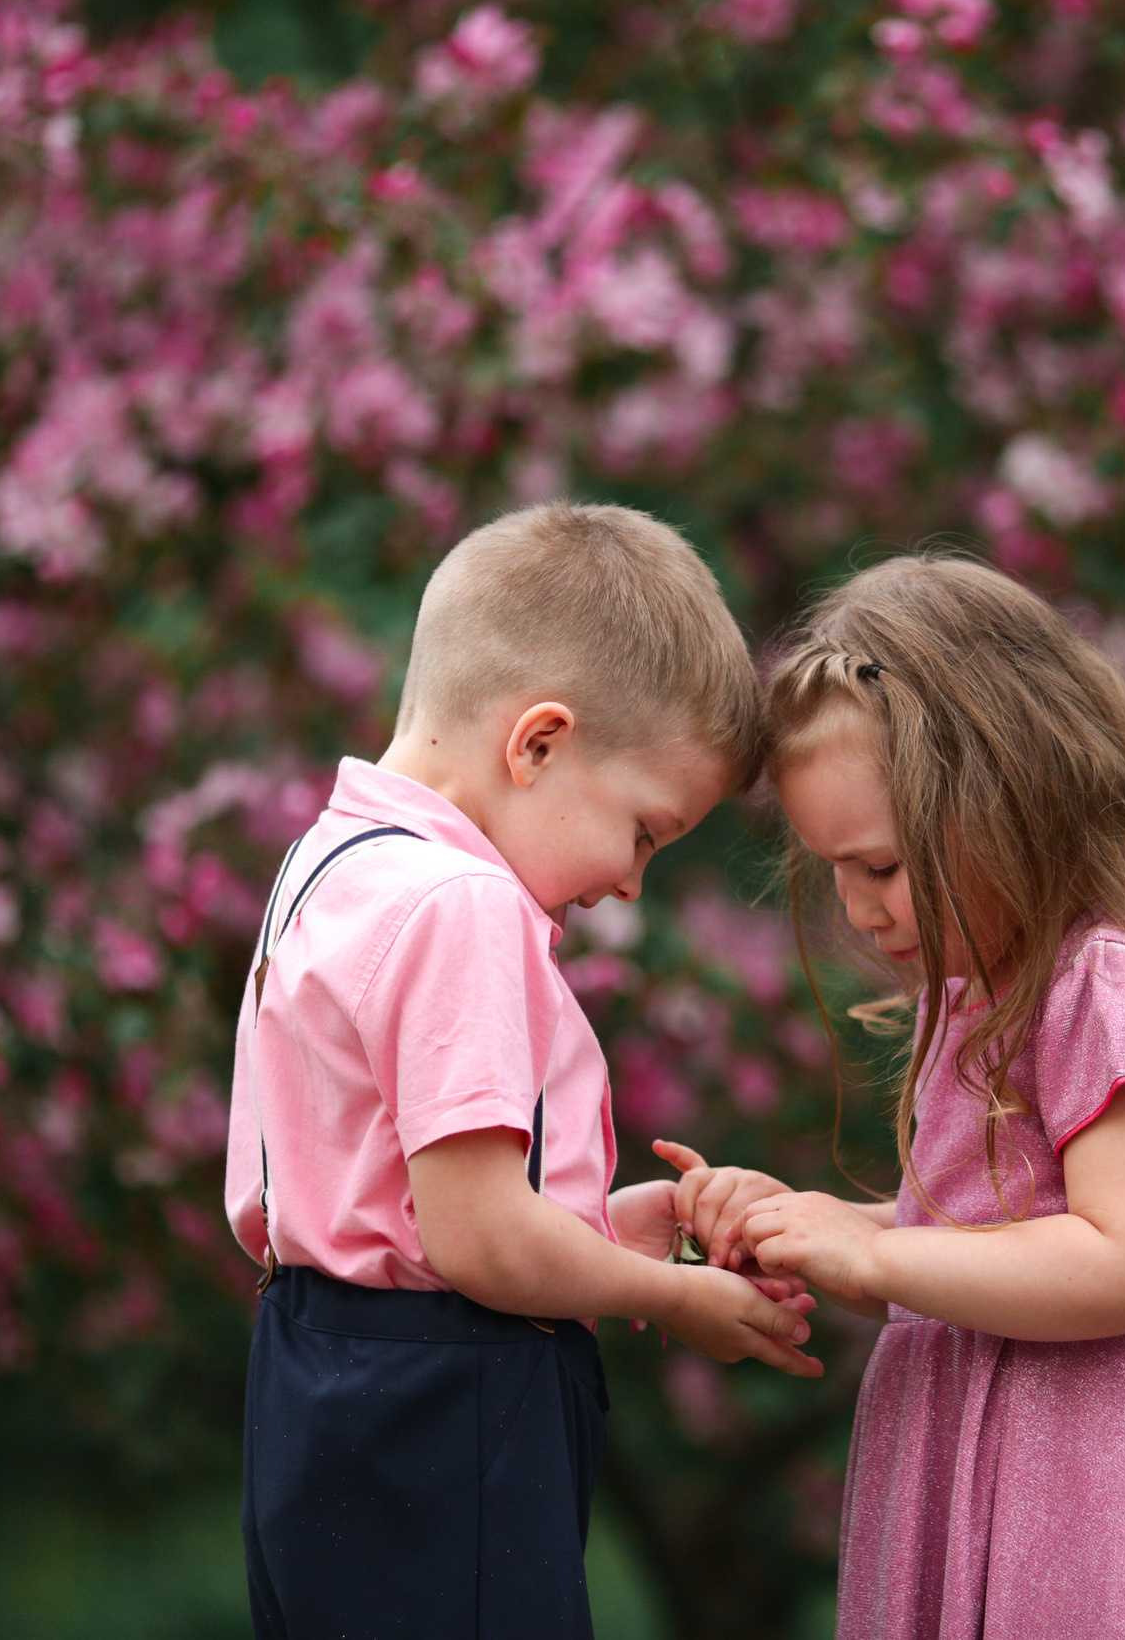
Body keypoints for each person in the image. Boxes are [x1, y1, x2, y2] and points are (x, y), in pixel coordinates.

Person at [672, 553, 1125, 1639]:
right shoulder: (978, 993)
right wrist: (818, 1229)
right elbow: (987, 1241)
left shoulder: (1114, 980)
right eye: (834, 870)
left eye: (881, 867)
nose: (857, 909)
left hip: (1097, 1499)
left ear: (1007, 800)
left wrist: (876, 1255)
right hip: (985, 1481)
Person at [224, 502, 821, 1640]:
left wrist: (614, 1227)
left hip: (315, 1386)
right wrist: (677, 1296)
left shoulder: (327, 860)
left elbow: (402, 1203)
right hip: (444, 1404)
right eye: (644, 832)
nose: (632, 883)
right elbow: (479, 1244)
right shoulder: (463, 903)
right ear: (537, 744)